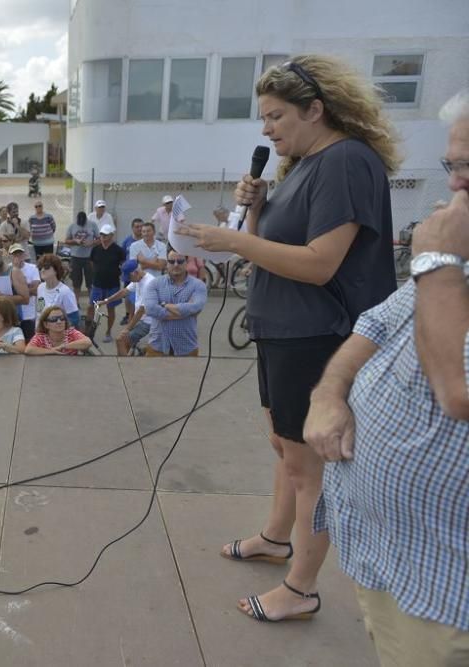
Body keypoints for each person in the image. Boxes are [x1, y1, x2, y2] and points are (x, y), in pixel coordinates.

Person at [176, 55, 400, 623]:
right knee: (285, 448)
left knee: (309, 467)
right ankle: (277, 539)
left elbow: (321, 264)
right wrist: (253, 215)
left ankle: (302, 588)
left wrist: (232, 241)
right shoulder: (302, 165)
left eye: (276, 116)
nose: (266, 128)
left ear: (315, 110)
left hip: (317, 336)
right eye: (264, 117)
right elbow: (274, 253)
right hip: (282, 329)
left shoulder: (345, 161)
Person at [301, 89, 469, 663]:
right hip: (387, 557)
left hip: (447, 595)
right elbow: (380, 321)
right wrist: (330, 392)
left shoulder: (447, 258)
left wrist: (437, 264)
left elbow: (458, 392)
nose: (455, 185)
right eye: (454, 165)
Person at [139, 251, 207, 356]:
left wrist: (164, 304)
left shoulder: (198, 285)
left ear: (186, 263)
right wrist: (185, 312)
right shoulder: (155, 283)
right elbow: (150, 309)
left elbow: (196, 307)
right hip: (158, 346)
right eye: (171, 261)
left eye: (180, 261)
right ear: (167, 263)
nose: (176, 264)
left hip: (186, 346)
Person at [99, 261, 156, 356]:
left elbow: (141, 311)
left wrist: (127, 329)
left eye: (129, 277)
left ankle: (126, 366)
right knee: (125, 343)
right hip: (142, 319)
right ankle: (129, 358)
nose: (129, 280)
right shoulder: (139, 279)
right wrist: (107, 300)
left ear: (135, 273)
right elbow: (125, 291)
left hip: (148, 322)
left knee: (120, 340)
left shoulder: (149, 284)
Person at [88, 224, 126, 343]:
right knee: (91, 307)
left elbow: (123, 265)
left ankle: (108, 332)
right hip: (97, 284)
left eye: (106, 235)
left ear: (111, 236)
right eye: (101, 234)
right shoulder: (95, 249)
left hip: (112, 285)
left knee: (110, 309)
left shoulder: (118, 250)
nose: (103, 237)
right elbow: (92, 263)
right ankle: (89, 331)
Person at [25, 305, 92, 356]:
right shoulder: (41, 337)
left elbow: (87, 342)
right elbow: (28, 350)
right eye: (54, 319)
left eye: (62, 318)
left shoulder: (71, 333)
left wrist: (63, 346)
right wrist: (51, 351)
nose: (59, 321)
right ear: (46, 324)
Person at [36, 254, 80, 327]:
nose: (42, 270)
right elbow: (40, 311)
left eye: (46, 267)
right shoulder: (40, 288)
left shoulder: (65, 292)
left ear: (56, 270)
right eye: (40, 268)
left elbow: (74, 319)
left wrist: (57, 328)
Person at [8, 243, 40, 340]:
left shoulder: (33, 268)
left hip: (29, 313)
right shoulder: (7, 269)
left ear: (24, 255)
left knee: (29, 339)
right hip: (13, 313)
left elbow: (36, 290)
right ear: (10, 256)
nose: (18, 257)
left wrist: (19, 290)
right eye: (15, 254)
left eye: (19, 254)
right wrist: (26, 287)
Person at [64, 211, 95, 305]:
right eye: (79, 222)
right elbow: (66, 241)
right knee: (76, 283)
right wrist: (75, 241)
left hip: (89, 257)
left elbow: (99, 239)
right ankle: (76, 304)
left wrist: (91, 243)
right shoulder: (72, 226)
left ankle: (92, 304)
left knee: (90, 283)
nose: (81, 223)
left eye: (83, 222)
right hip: (75, 257)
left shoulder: (92, 225)